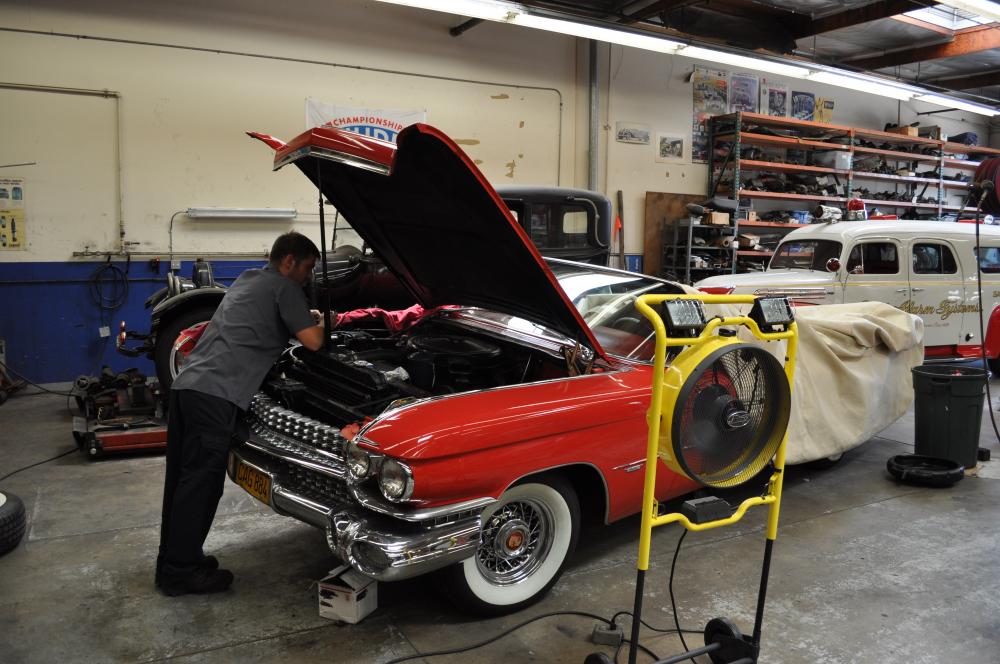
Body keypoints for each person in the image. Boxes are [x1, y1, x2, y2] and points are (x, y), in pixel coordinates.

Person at [156, 231, 325, 596]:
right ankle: (181, 573)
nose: (309, 277)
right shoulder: (286, 288)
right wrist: (322, 322)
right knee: (201, 484)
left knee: (181, 482)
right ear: (289, 261)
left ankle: (174, 562)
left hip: (187, 386)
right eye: (308, 268)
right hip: (217, 395)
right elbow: (313, 342)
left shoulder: (249, 278)